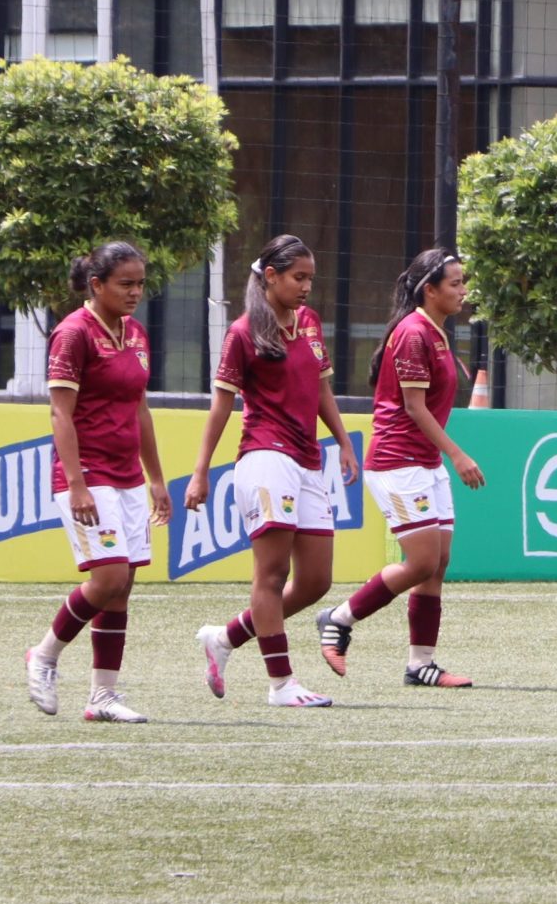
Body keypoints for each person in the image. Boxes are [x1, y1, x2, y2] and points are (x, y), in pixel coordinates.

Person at [189, 235, 359, 708]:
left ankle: (223, 639)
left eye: (310, 278)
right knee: (271, 572)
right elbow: (221, 405)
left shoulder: (309, 323)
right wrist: (201, 471)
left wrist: (343, 441)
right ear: (270, 277)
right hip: (265, 458)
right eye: (298, 277)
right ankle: (281, 684)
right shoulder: (243, 333)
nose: (307, 287)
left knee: (315, 581)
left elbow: (322, 389)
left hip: (309, 460)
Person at [317, 249, 487, 688]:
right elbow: (413, 408)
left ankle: (421, 664)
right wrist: (458, 454)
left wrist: (442, 456)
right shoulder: (414, 333)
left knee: (439, 561)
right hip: (397, 462)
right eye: (454, 283)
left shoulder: (436, 331)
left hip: (424, 463)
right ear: (429, 290)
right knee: (421, 560)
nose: (463, 290)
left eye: (462, 282)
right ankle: (338, 617)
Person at [23, 242, 168, 723]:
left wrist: (157, 479)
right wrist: (78, 484)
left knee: (122, 584)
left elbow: (141, 410)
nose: (135, 292)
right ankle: (43, 655)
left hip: (127, 474)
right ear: (97, 284)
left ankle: (102, 697)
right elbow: (59, 414)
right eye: (125, 284)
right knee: (106, 577)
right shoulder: (72, 333)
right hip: (87, 474)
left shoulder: (138, 334)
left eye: (140, 284)